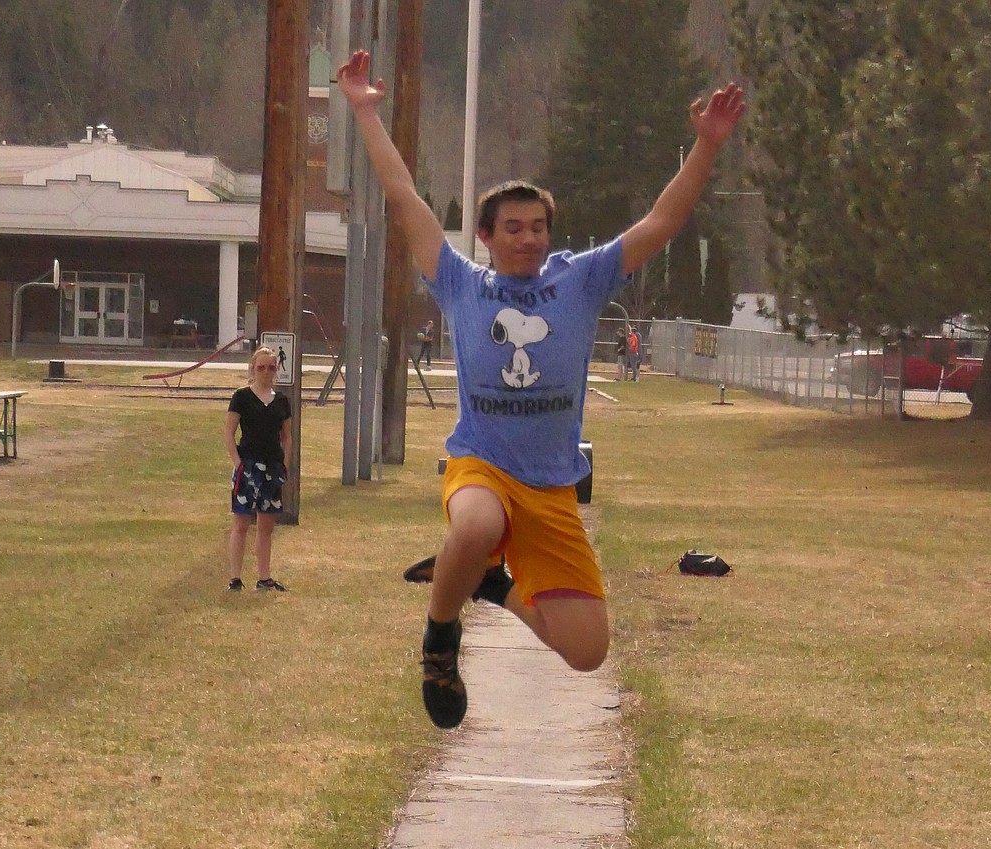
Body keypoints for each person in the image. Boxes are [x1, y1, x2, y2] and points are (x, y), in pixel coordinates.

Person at [338, 48, 744, 728]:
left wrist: (705, 147)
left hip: (552, 485)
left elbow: (661, 223)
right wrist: (364, 112)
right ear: (488, 236)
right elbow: (404, 198)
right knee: (476, 523)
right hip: (482, 466)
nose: (529, 238)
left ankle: (491, 584)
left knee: (587, 651)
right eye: (514, 228)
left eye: (539, 227)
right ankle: (440, 640)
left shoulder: (579, 280)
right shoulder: (460, 282)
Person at [224, 345, 292, 592]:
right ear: (252, 369)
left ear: (276, 370)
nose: (265, 372)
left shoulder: (282, 401)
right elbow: (229, 433)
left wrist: (284, 465)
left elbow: (287, 437)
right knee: (241, 523)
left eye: (271, 367)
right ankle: (235, 577)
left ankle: (264, 578)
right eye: (261, 367)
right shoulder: (241, 397)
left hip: (272, 467)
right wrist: (238, 464)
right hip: (248, 465)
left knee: (266, 527)